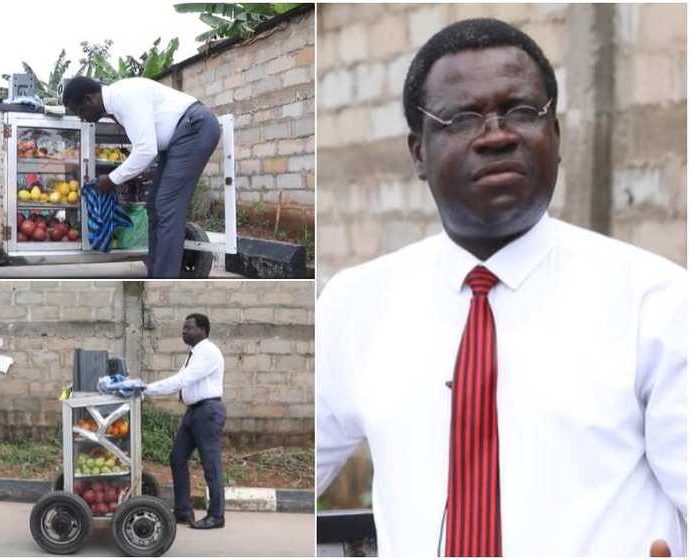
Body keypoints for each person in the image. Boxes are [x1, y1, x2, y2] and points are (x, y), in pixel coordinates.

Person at [316, 18, 686, 557]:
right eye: (463, 117)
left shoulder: (657, 303)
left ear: (554, 137)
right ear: (418, 152)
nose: (497, 135)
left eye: (520, 111)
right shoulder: (355, 306)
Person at [62, 76, 220, 278]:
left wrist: (111, 180)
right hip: (177, 139)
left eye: (80, 112)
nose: (82, 118)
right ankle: (156, 273)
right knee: (154, 205)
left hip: (194, 128)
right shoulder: (116, 103)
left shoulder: (124, 96)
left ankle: (164, 283)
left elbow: (146, 150)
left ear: (88, 99)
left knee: (167, 207)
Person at [144, 313, 226, 529]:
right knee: (177, 457)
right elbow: (181, 380)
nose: (184, 331)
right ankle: (183, 510)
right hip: (194, 412)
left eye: (189, 328)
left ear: (204, 331)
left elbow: (182, 380)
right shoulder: (193, 353)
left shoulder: (207, 352)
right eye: (183, 328)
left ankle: (216, 516)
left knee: (211, 465)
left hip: (207, 412)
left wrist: (146, 389)